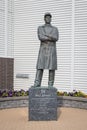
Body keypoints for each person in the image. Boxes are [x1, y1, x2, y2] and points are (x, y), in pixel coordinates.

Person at [34, 12, 59, 87]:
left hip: (52, 49)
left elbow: (56, 38)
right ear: (44, 18)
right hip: (43, 49)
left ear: (51, 19)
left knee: (52, 68)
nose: (48, 18)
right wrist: (50, 37)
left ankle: (50, 84)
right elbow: (41, 37)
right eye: (46, 17)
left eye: (49, 17)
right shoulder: (40, 28)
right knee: (40, 67)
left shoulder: (55, 29)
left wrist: (46, 36)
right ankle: (37, 82)